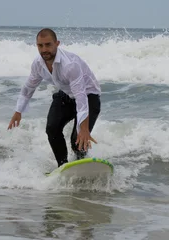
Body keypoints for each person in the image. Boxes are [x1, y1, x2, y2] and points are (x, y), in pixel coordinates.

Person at [8, 28, 102, 167]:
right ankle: (62, 166)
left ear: (57, 43)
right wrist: (18, 111)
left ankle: (82, 163)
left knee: (77, 139)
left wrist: (84, 129)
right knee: (52, 129)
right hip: (65, 95)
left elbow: (81, 97)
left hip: (89, 96)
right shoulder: (38, 63)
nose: (44, 49)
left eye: (48, 44)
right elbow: (28, 88)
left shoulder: (70, 64)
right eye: (40, 45)